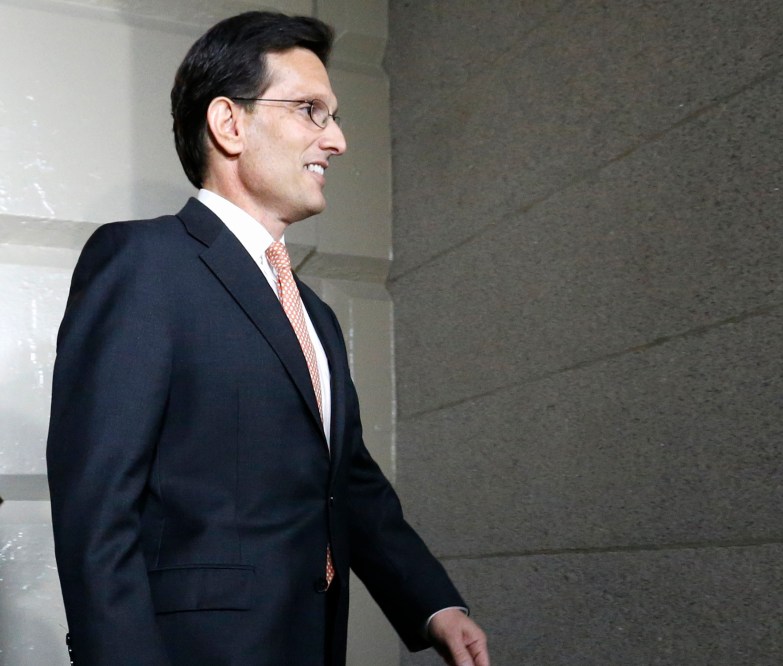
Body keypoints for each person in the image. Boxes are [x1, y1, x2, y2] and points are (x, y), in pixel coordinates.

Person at [46, 11, 489, 666]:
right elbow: (96, 505)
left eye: (334, 115)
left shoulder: (316, 314)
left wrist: (434, 605)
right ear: (229, 124)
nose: (336, 139)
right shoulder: (143, 263)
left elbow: (349, 480)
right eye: (311, 110)